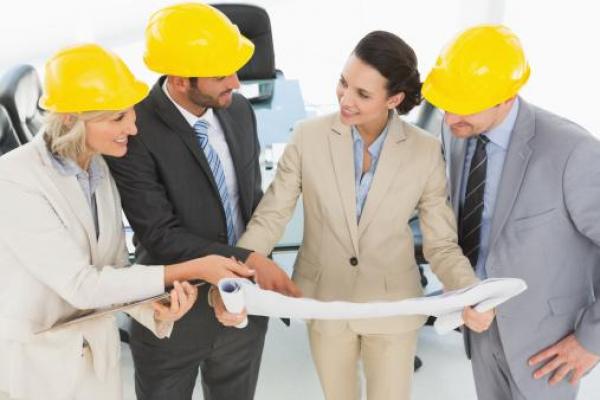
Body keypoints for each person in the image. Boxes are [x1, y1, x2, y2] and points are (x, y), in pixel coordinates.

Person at [234, 31, 493, 400]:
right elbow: (271, 217)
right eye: (343, 83)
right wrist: (237, 276)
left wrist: (470, 293)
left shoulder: (424, 151)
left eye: (363, 94)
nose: (345, 99)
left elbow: (441, 245)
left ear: (394, 99)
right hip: (324, 299)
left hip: (394, 305)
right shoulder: (308, 137)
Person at [0, 43, 254, 400]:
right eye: (118, 118)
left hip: (97, 363)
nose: (133, 128)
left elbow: (115, 268)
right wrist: (194, 268)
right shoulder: (14, 179)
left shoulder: (98, 166)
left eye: (131, 113)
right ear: (71, 118)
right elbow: (82, 285)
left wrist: (155, 309)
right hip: (42, 367)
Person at [105, 3, 299, 400]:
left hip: (243, 306)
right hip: (175, 310)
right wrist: (248, 260)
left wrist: (252, 269)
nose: (236, 83)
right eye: (221, 75)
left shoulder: (238, 110)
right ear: (180, 81)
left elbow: (250, 200)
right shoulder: (134, 130)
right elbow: (160, 234)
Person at [422, 24, 600, 400]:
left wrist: (591, 341)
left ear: (507, 97)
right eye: (447, 104)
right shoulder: (457, 133)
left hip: (549, 345)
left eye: (465, 106)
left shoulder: (572, 151)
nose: (450, 118)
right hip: (480, 329)